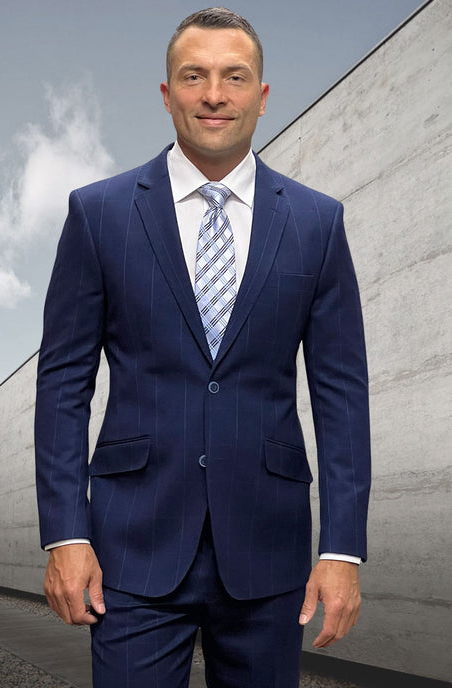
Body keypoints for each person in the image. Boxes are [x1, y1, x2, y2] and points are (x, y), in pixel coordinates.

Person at [35, 7, 371, 687]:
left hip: (268, 550)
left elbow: (341, 397)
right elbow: (62, 385)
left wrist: (342, 549)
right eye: (194, 76)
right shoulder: (98, 214)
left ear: (261, 94)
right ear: (166, 93)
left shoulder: (316, 224)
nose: (213, 94)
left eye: (232, 76)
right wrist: (66, 534)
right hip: (129, 548)